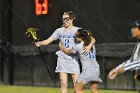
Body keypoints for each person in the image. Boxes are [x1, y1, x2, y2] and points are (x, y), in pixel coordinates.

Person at [35, 11, 95, 93]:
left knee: (77, 87)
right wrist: (40, 43)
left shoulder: (78, 30)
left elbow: (92, 39)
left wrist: (89, 46)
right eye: (63, 19)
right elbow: (48, 41)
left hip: (74, 60)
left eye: (67, 19)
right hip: (62, 59)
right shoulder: (59, 31)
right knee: (63, 83)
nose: (65, 21)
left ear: (72, 19)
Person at [59, 29, 102, 93]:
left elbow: (67, 51)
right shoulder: (91, 43)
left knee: (77, 90)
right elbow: (93, 39)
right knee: (94, 90)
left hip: (87, 70)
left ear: (81, 37)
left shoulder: (79, 46)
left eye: (76, 35)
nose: (75, 37)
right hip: (96, 69)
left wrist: (61, 47)